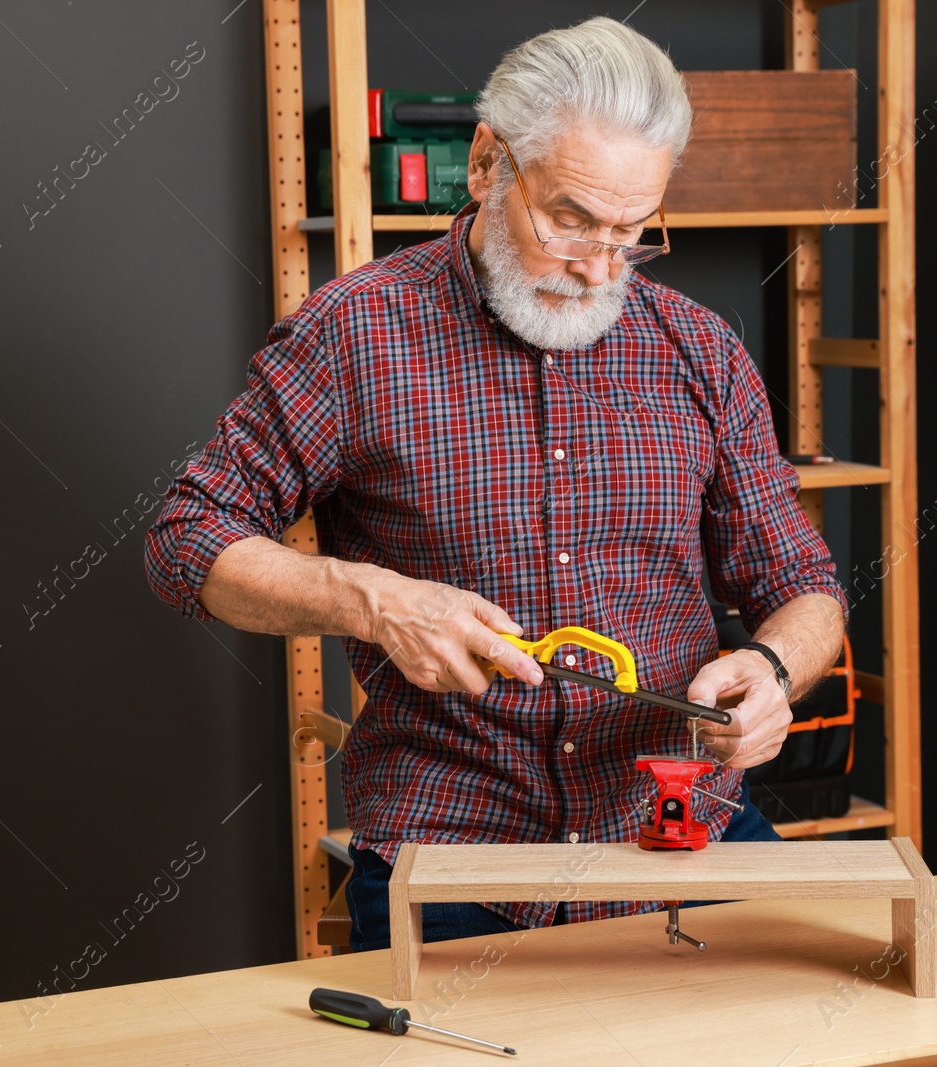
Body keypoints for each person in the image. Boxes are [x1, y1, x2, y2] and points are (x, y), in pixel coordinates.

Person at [145, 15, 847, 951]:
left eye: (633, 232)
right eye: (568, 218)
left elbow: (806, 588)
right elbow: (185, 539)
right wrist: (373, 599)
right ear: (486, 164)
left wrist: (772, 673)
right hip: (453, 860)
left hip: (682, 839)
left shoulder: (699, 348)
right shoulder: (355, 335)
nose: (599, 266)